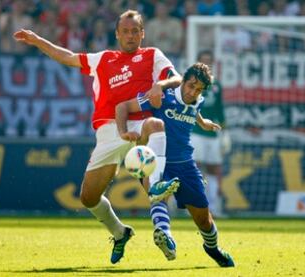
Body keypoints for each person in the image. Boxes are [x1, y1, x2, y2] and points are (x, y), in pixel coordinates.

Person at [14, 10, 181, 264]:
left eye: (135, 31)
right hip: (108, 132)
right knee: (88, 198)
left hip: (140, 124)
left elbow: (177, 78)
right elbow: (68, 57)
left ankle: (163, 229)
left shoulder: (152, 55)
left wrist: (161, 85)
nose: (130, 36)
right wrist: (38, 40)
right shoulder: (102, 59)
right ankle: (119, 232)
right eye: (125, 31)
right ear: (117, 34)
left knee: (157, 126)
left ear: (142, 33)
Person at [115, 63, 235, 267]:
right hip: (154, 160)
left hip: (186, 164)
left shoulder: (198, 101)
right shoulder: (162, 97)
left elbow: (193, 110)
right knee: (157, 194)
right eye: (190, 86)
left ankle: (212, 248)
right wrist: (122, 133)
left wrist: (203, 122)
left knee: (204, 220)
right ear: (182, 81)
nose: (193, 92)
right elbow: (123, 107)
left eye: (198, 90)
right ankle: (165, 236)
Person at [191, 50, 230, 216]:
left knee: (214, 169)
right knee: (196, 168)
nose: (207, 65)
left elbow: (219, 110)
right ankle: (194, 206)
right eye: (203, 61)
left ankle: (213, 208)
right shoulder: (190, 83)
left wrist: (225, 132)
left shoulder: (217, 85)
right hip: (195, 132)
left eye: (209, 61)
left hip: (213, 134)